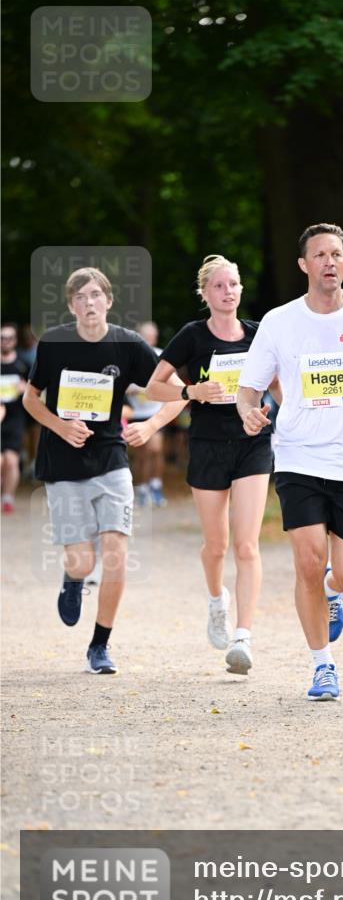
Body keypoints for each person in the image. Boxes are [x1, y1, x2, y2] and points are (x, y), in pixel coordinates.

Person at [237, 223, 343, 701]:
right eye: (320, 255)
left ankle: (335, 593)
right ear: (304, 265)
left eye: (337, 254)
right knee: (308, 563)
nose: (330, 262)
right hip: (298, 456)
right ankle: (322, 666)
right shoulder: (279, 322)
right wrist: (250, 413)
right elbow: (248, 386)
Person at [23, 267, 186, 674]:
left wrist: (150, 425)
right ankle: (73, 577)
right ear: (71, 305)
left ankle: (99, 646)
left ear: (109, 301)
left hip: (111, 459)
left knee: (115, 554)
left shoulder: (127, 345)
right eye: (80, 297)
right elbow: (30, 398)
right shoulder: (55, 343)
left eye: (96, 295)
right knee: (81, 560)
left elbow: (176, 390)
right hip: (62, 463)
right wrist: (59, 425)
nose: (89, 303)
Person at [145, 255, 280, 675]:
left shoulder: (260, 334)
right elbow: (152, 387)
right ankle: (216, 601)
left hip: (251, 443)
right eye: (219, 286)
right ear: (205, 294)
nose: (228, 292)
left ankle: (243, 637)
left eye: (234, 284)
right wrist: (191, 391)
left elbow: (281, 388)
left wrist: (275, 412)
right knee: (217, 546)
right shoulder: (191, 336)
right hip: (206, 445)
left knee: (246, 545)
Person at [125, 321, 168, 507]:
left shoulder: (161, 355)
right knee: (141, 454)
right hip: (136, 413)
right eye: (146, 335)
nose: (149, 338)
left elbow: (171, 383)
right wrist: (135, 390)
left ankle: (156, 485)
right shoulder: (129, 357)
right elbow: (122, 385)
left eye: (152, 335)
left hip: (156, 411)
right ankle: (141, 489)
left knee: (156, 449)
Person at [1, 321, 29, 512]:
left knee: (11, 461)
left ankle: (8, 498)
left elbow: (38, 392)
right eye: (2, 338)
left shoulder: (23, 364)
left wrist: (25, 388)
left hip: (15, 418)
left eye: (9, 338)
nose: (5, 341)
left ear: (15, 340)